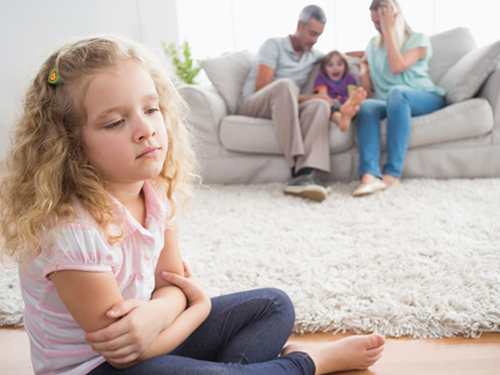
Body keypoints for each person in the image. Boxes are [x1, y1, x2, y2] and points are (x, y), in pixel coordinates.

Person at [0, 35, 386, 375]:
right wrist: (196, 308)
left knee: (273, 305)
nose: (145, 129)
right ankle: (307, 363)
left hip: (154, 335)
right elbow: (127, 353)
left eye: (151, 109)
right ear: (70, 146)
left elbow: (172, 286)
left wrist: (162, 310)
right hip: (101, 368)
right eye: (116, 122)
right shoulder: (70, 230)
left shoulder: (155, 193)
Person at [350, 0, 446, 197]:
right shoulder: (373, 45)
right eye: (375, 23)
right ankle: (369, 175)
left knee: (397, 93)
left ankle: (392, 174)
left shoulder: (419, 40)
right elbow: (363, 58)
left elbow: (397, 66)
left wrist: (388, 29)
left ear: (395, 16)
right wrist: (363, 72)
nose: (378, 27)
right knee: (367, 106)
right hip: (391, 103)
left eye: (381, 22)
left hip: (424, 97)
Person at [237, 5, 332, 203]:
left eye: (319, 36)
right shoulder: (273, 45)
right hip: (255, 104)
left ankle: (304, 174)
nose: (315, 40)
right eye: (312, 33)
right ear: (299, 25)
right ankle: (295, 167)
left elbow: (342, 57)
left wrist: (368, 55)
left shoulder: (313, 55)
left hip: (286, 106)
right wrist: (307, 98)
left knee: (321, 105)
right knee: (286, 86)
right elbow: (262, 85)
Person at [313, 50, 367, 132]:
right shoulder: (322, 77)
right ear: (324, 68)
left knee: (355, 108)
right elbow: (323, 95)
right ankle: (342, 120)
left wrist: (353, 99)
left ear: (345, 66)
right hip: (332, 104)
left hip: (346, 104)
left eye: (339, 64)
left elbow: (351, 92)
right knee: (331, 109)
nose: (335, 67)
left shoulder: (349, 77)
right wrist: (333, 101)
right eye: (330, 65)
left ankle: (347, 113)